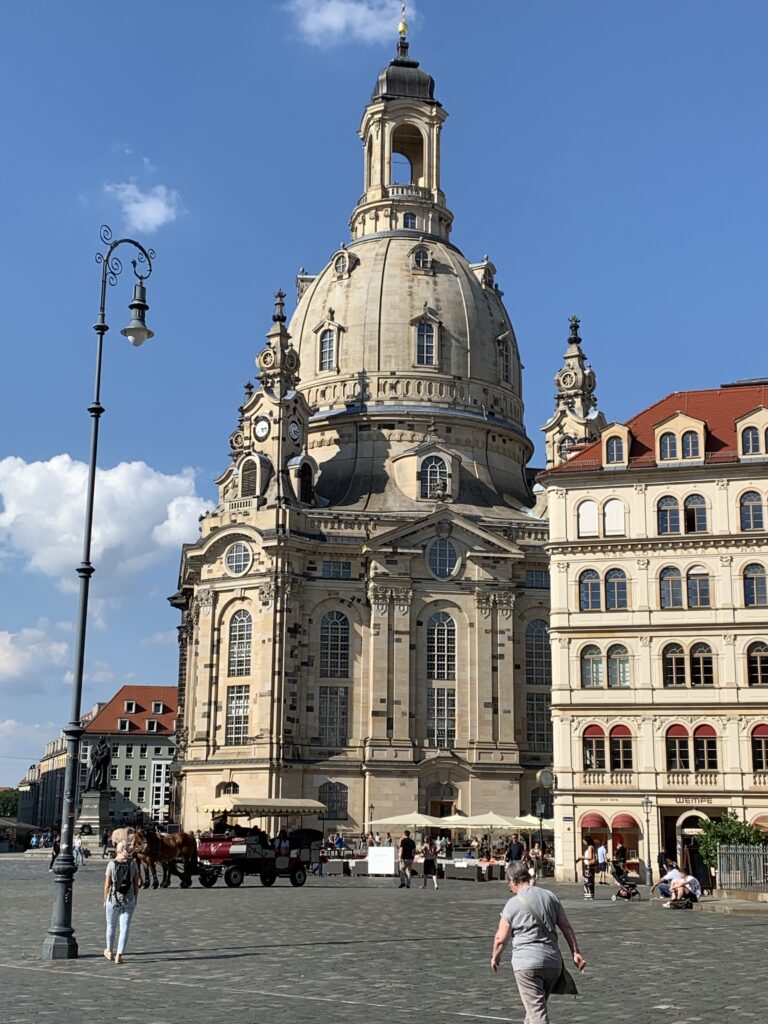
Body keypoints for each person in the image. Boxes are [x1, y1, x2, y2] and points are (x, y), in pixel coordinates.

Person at [491, 860, 587, 1024]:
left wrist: (495, 957)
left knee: (537, 1015)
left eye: (509, 883)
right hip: (552, 964)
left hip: (527, 964)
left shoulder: (512, 904)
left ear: (514, 880)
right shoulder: (550, 896)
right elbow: (566, 927)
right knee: (534, 1011)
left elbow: (500, 939)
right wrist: (575, 952)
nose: (509, 888)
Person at [103, 840, 140, 964]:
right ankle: (119, 955)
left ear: (117, 850)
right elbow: (136, 884)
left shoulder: (111, 864)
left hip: (113, 898)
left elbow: (107, 885)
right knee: (124, 927)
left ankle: (109, 950)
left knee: (111, 925)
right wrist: (135, 898)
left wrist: (105, 899)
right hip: (129, 899)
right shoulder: (133, 863)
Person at [582, 835, 596, 900]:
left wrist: (582, 857)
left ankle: (589, 894)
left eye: (584, 841)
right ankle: (590, 894)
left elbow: (590, 857)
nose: (583, 842)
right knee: (589, 880)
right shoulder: (591, 847)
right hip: (589, 866)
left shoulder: (590, 847)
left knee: (588, 880)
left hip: (588, 866)